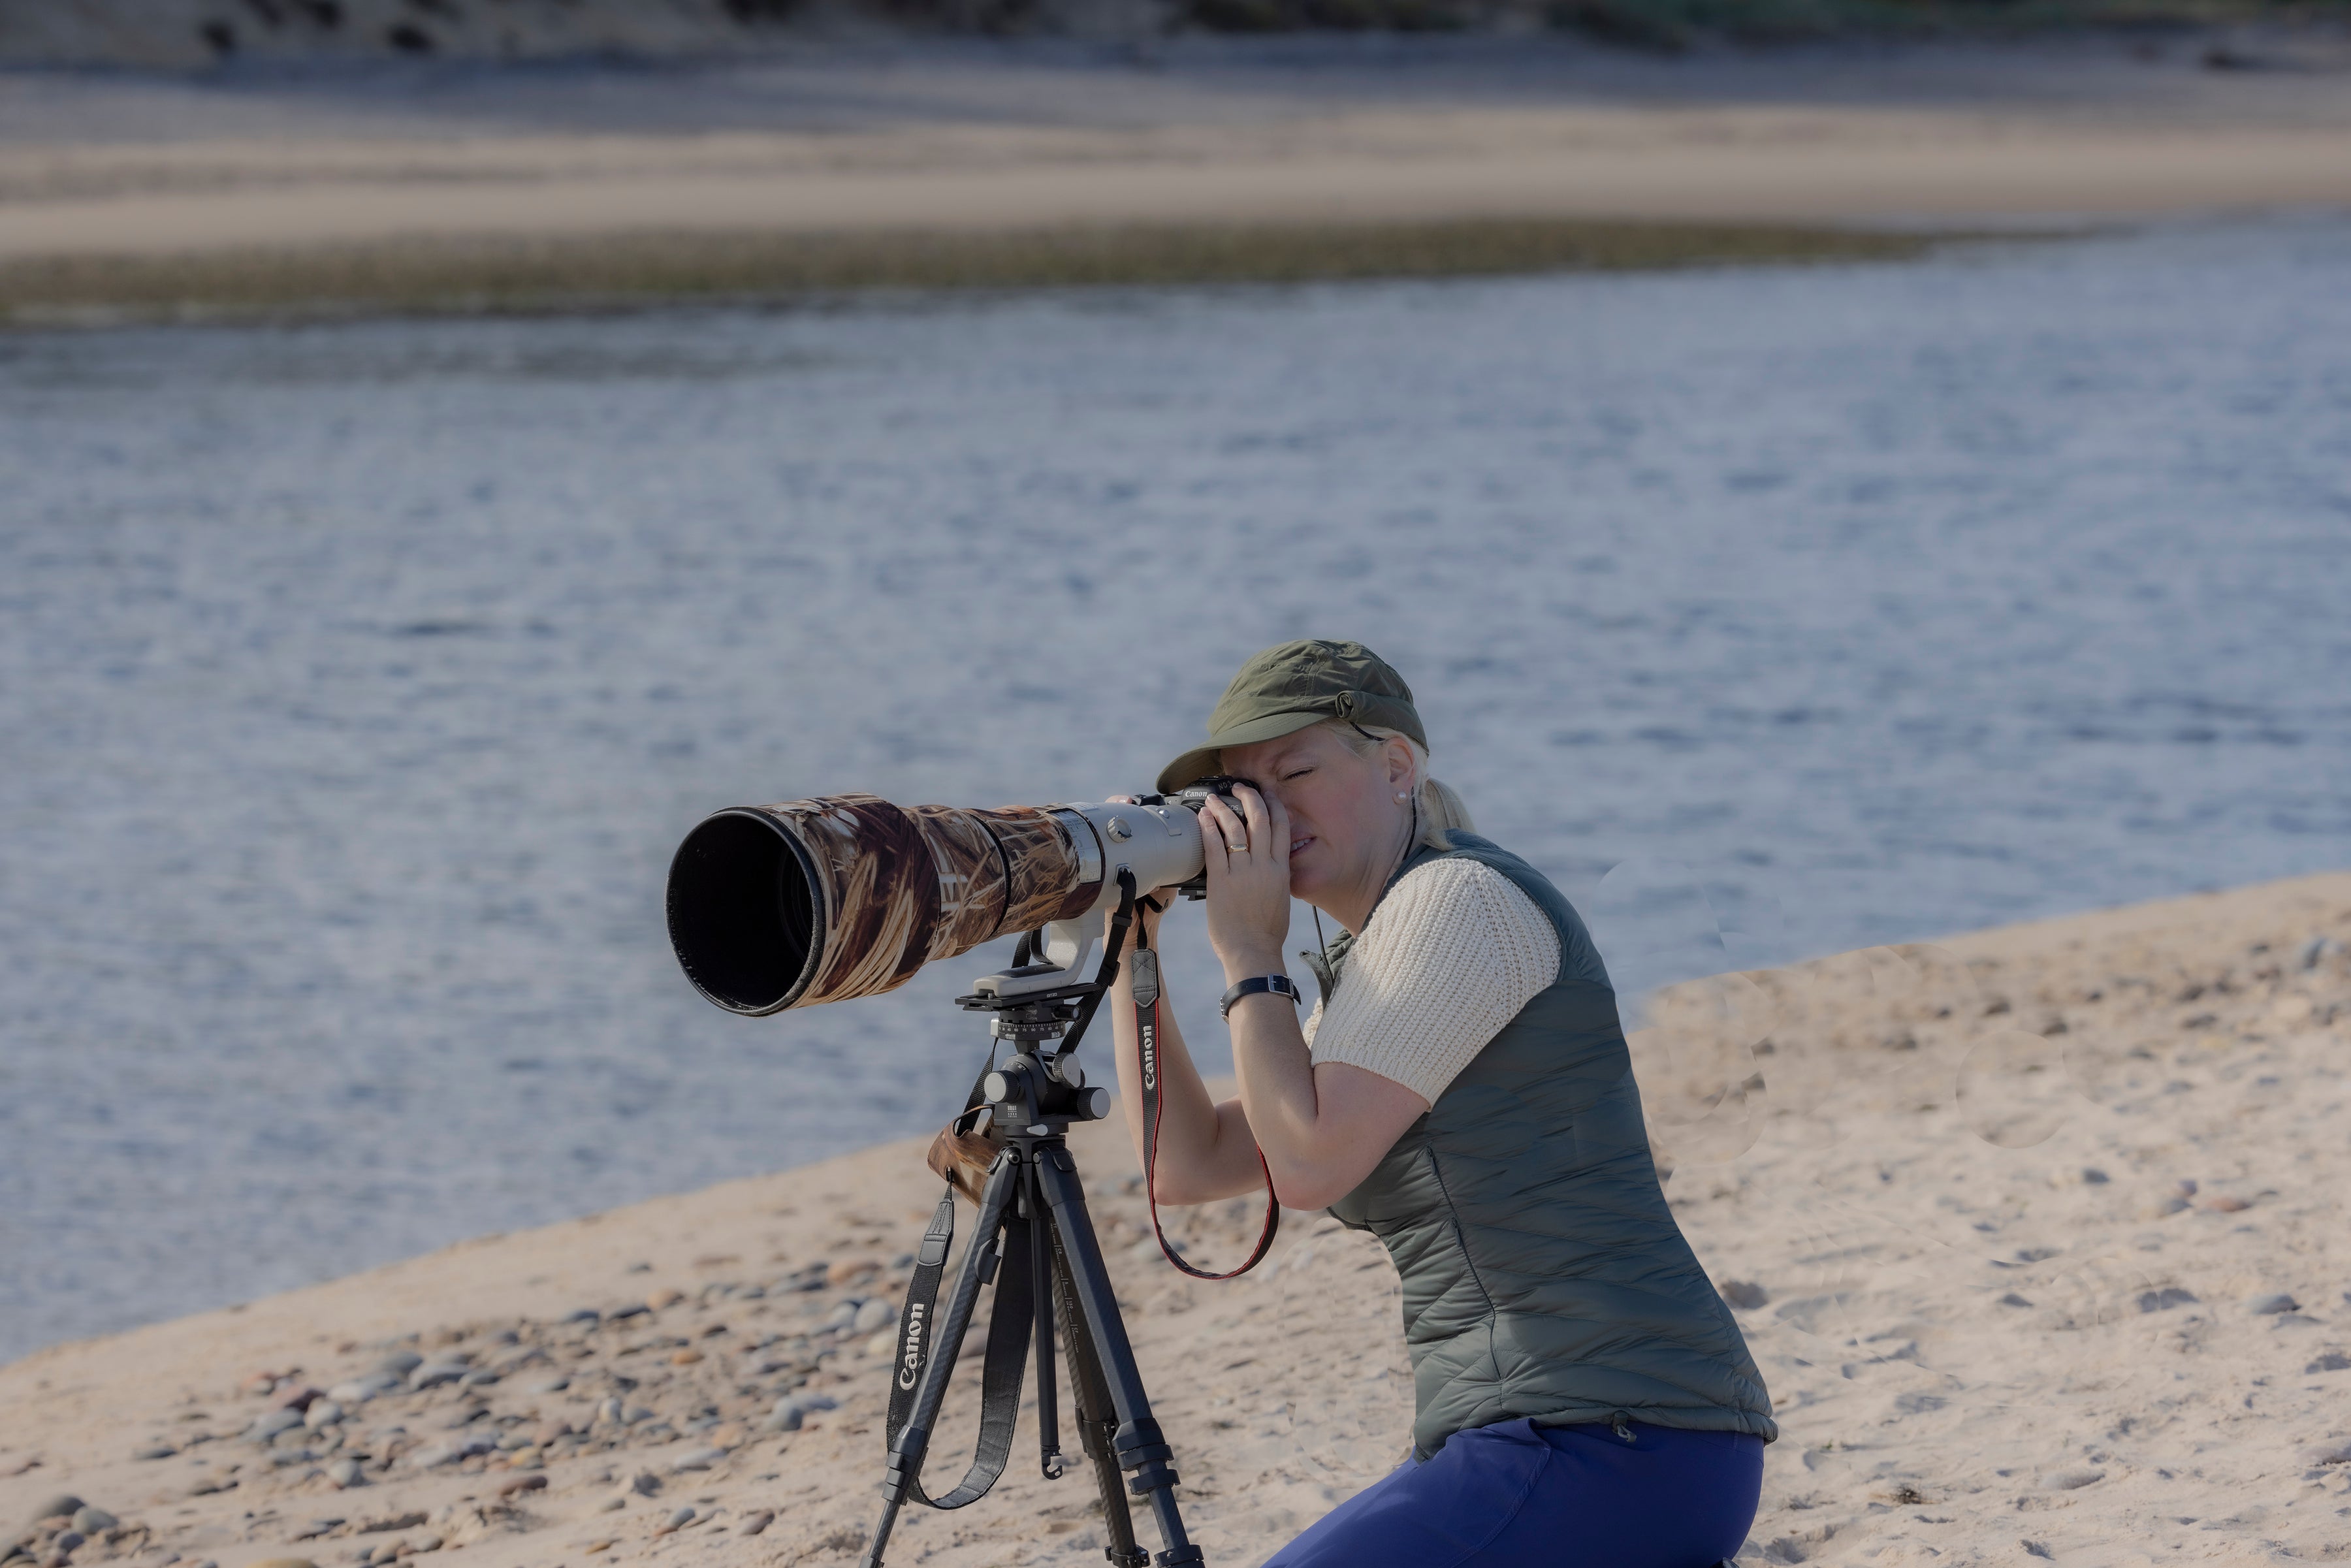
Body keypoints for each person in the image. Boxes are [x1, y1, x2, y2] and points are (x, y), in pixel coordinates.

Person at [1104, 639, 1774, 1568]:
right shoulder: (1378, 959)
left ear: (1397, 766)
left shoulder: (1459, 902)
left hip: (1615, 1435)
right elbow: (1187, 1164)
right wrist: (1128, 957)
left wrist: (1251, 957)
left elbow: (1306, 1163)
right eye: (1242, 793)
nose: (1266, 812)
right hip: (1561, 1433)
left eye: (1295, 771)